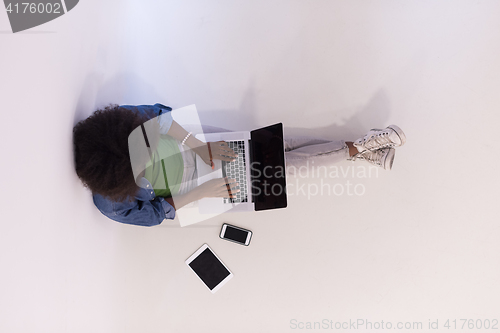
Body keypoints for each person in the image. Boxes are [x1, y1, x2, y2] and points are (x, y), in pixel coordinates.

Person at [73, 103, 406, 227]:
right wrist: (202, 190)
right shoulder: (110, 204)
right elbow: (159, 213)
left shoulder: (123, 127)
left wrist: (200, 147)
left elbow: (162, 117)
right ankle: (361, 148)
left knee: (281, 144)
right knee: (286, 170)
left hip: (195, 146)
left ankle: (361, 149)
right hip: (196, 192)